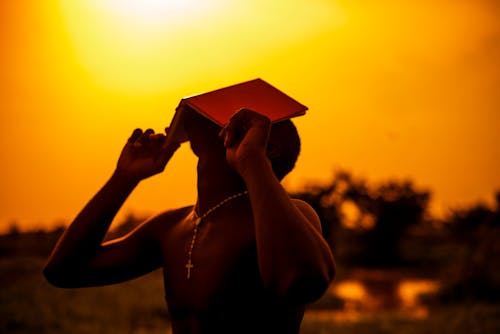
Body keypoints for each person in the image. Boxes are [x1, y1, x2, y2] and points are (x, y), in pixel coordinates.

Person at [43, 107, 336, 333]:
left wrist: (253, 161)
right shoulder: (171, 227)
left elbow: (303, 282)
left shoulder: (292, 215)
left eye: (238, 114)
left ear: (264, 145)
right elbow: (64, 271)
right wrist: (125, 178)